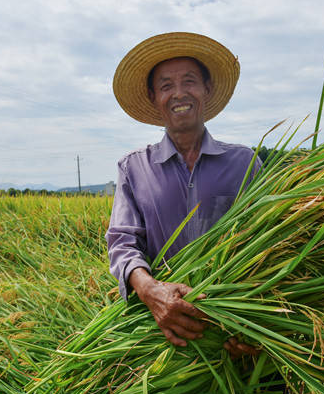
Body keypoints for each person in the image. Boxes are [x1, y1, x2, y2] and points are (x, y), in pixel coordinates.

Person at [106, 32, 261, 359]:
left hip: (238, 333)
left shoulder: (244, 164)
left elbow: (273, 246)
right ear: (153, 97)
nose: (179, 93)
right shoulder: (133, 168)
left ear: (206, 89)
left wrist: (258, 326)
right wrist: (151, 291)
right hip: (166, 337)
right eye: (166, 85)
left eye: (189, 81)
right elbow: (122, 242)